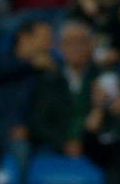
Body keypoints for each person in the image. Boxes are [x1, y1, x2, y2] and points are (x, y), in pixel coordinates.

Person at [28, 19, 100, 157]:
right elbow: (39, 123)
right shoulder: (47, 81)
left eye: (81, 42)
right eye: (69, 43)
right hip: (55, 147)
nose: (76, 48)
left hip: (97, 149)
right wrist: (64, 143)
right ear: (60, 48)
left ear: (91, 46)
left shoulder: (103, 77)